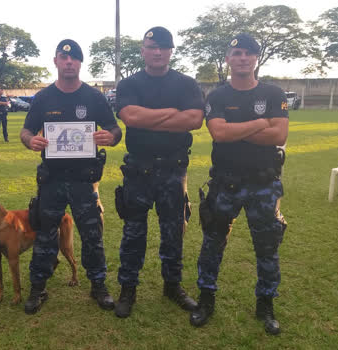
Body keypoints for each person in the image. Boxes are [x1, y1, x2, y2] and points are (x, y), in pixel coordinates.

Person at [190, 33, 288, 335]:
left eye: (248, 53)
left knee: (267, 247)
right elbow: (218, 133)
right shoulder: (218, 97)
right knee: (212, 244)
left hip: (263, 184)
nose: (242, 58)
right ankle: (206, 299)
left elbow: (279, 136)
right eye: (236, 53)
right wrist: (260, 123)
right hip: (225, 183)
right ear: (228, 59)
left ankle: (265, 305)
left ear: (256, 57)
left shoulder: (274, 93)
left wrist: (236, 130)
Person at [20, 39, 122, 315]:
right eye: (63, 58)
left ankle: (98, 285)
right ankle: (37, 287)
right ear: (55, 61)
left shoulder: (93, 97)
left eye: (74, 58)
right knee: (44, 235)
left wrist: (110, 136)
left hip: (83, 179)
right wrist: (31, 141)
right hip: (51, 180)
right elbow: (26, 131)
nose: (69, 62)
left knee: (92, 235)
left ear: (79, 63)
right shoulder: (43, 98)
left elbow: (115, 128)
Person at [114, 26, 204, 318]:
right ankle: (128, 288)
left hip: (172, 169)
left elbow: (194, 120)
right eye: (152, 47)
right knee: (133, 231)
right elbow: (130, 116)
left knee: (173, 231)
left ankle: (172, 285)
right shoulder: (129, 84)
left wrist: (148, 119)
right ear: (143, 51)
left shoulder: (187, 83)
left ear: (170, 51)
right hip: (138, 170)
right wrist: (172, 114)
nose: (157, 52)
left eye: (163, 47)